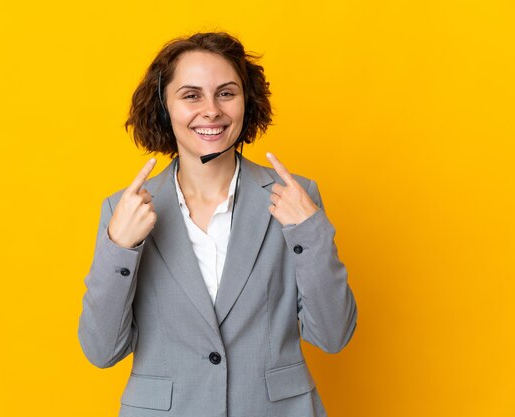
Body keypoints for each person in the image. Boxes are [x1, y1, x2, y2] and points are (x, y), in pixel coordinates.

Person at [78, 32, 357, 417]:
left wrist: (309, 233)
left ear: (247, 102)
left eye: (226, 93)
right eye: (191, 95)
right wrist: (119, 248)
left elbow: (333, 335)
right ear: (164, 108)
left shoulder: (297, 197)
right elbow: (101, 350)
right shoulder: (123, 210)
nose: (211, 110)